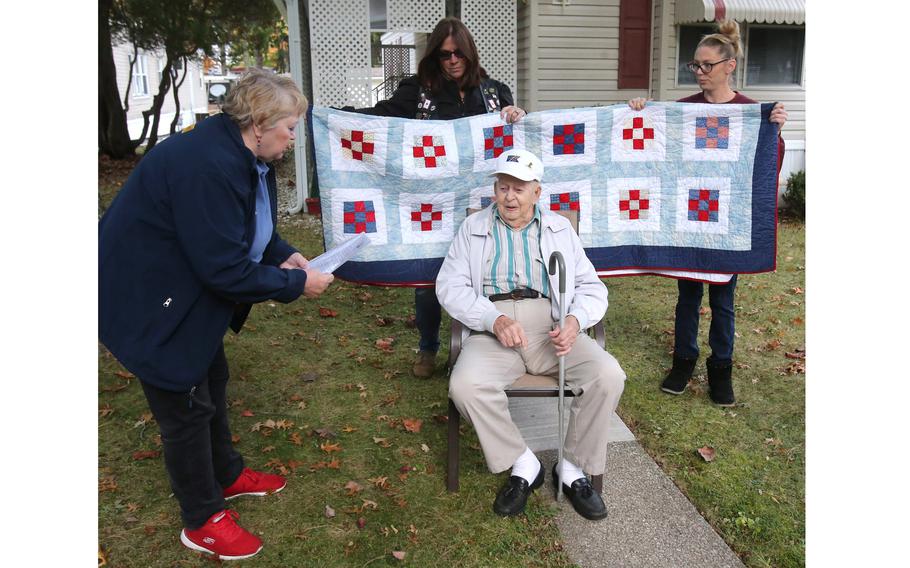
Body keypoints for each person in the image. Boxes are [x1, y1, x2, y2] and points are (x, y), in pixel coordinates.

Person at [99, 69, 335, 561]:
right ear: (259, 121)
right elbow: (224, 269)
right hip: (148, 297)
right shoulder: (208, 165)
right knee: (183, 403)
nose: (294, 139)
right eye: (290, 127)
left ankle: (225, 473)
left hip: (181, 290)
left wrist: (284, 255)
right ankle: (201, 517)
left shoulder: (238, 153)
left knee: (212, 375)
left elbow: (249, 225)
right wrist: (297, 282)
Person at [436, 149, 626, 520]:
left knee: (608, 375)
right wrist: (493, 320)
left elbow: (592, 286)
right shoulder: (473, 228)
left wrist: (574, 320)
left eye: (519, 189)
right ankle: (524, 463)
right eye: (503, 187)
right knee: (465, 385)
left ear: (537, 193)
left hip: (548, 324)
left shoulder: (559, 228)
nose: (509, 196)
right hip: (493, 324)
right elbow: (450, 286)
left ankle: (571, 468)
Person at [346, 16, 527, 379]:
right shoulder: (418, 91)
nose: (453, 61)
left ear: (470, 54)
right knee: (428, 278)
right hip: (430, 204)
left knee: (482, 275)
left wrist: (518, 116)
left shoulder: (494, 92)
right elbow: (379, 121)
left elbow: (518, 147)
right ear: (435, 57)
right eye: (445, 55)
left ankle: (478, 345)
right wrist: (335, 118)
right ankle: (428, 347)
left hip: (481, 204)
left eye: (459, 53)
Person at [629, 20, 787, 406]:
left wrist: (774, 133)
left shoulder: (750, 114)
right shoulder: (683, 111)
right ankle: (683, 360)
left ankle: (721, 367)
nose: (699, 73)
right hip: (689, 219)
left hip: (726, 223)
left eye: (706, 66)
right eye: (694, 66)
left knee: (723, 300)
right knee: (687, 297)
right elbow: (655, 151)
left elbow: (766, 169)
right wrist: (639, 112)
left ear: (729, 65)